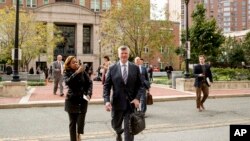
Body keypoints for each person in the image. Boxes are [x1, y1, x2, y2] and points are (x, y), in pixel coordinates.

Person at [103, 45, 143, 141]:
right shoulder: (112, 68)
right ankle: (118, 132)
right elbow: (107, 86)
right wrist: (107, 101)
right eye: (122, 53)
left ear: (129, 55)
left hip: (131, 104)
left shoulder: (135, 68)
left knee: (129, 130)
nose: (124, 55)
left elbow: (140, 86)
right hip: (116, 104)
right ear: (118, 55)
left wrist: (137, 98)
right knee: (116, 125)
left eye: (126, 53)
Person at [63, 56, 93, 141]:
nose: (76, 63)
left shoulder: (83, 71)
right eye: (73, 62)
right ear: (68, 64)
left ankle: (78, 134)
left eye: (76, 62)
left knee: (80, 122)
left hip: (82, 100)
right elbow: (68, 82)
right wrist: (76, 73)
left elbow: (89, 83)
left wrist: (89, 94)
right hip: (71, 100)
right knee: (73, 123)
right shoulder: (66, 72)